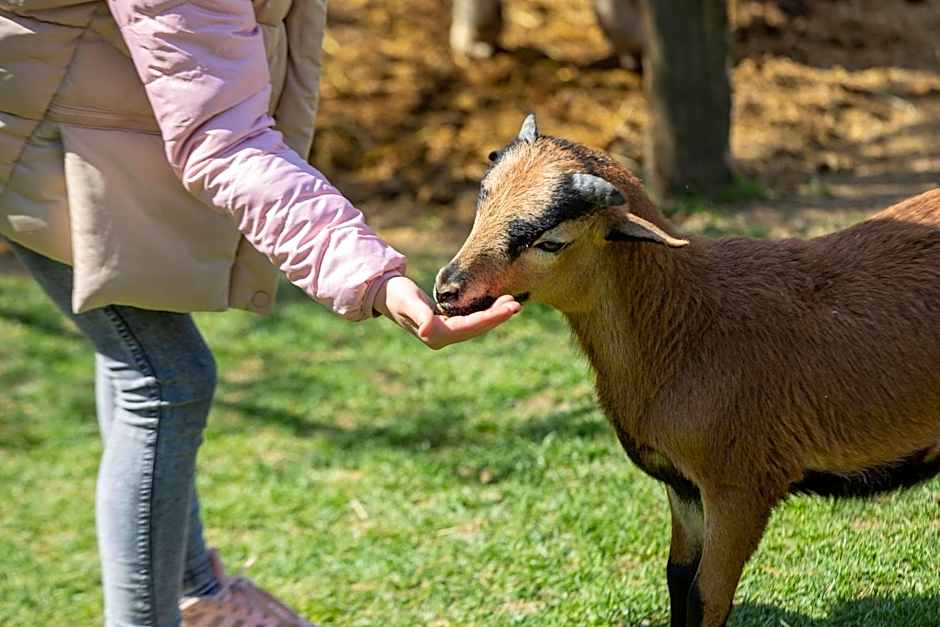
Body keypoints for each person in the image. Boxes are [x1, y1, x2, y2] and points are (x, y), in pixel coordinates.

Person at [0, 0, 521, 625]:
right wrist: (374, 280)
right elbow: (226, 139)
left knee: (140, 363)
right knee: (167, 378)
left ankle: (196, 593)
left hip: (74, 130)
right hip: (32, 146)